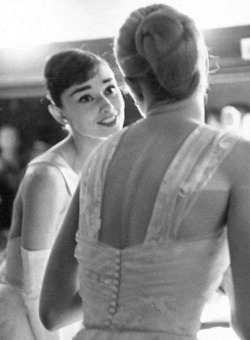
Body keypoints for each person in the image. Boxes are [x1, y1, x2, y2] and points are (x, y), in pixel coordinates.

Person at [40, 4, 250, 340]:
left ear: (132, 84)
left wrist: (118, 296)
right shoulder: (235, 158)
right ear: (200, 65)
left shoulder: (98, 160)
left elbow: (52, 311)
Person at [0, 48, 125, 340]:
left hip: (70, 311)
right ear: (59, 113)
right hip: (22, 318)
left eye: (109, 88)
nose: (107, 105)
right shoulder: (48, 177)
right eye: (86, 97)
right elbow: (36, 290)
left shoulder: (116, 161)